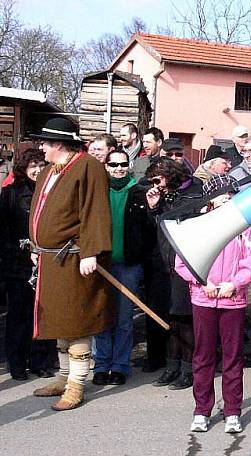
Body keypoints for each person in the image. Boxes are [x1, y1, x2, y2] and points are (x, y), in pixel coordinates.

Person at [27, 117, 114, 410]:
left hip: (74, 257)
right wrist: (36, 246)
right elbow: (40, 212)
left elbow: (96, 210)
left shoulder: (87, 166)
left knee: (76, 321)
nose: (41, 147)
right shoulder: (48, 172)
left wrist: (91, 251)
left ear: (59, 144)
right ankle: (63, 376)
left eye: (45, 142)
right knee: (59, 321)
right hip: (51, 259)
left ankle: (77, 383)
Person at [175, 173, 251, 434]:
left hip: (232, 299)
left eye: (230, 193)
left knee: (233, 358)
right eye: (222, 193)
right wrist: (202, 283)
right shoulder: (197, 224)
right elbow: (183, 261)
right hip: (204, 298)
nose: (226, 197)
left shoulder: (243, 228)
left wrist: (234, 284)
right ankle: (202, 409)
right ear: (210, 197)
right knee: (203, 356)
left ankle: (232, 410)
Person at [92, 148, 153, 386]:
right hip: (102, 263)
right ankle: (101, 364)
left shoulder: (139, 193)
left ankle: (120, 365)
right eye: (113, 164)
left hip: (128, 265)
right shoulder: (98, 192)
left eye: (122, 164)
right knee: (103, 317)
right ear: (106, 166)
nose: (118, 168)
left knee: (125, 319)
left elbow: (149, 229)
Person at [146, 157, 202, 390]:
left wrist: (167, 203)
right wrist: (154, 207)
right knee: (169, 318)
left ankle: (188, 370)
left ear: (169, 175)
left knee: (184, 318)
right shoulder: (163, 195)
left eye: (157, 179)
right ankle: (171, 367)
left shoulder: (193, 192)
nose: (155, 184)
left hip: (185, 264)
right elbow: (157, 227)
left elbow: (189, 226)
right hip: (164, 263)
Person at [0, 148, 56, 380]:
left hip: (46, 261)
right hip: (18, 264)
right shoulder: (11, 194)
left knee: (42, 313)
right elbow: (3, 230)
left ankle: (40, 361)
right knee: (18, 315)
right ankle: (16, 362)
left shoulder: (51, 193)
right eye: (33, 165)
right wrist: (16, 249)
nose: (37, 170)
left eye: (41, 165)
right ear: (24, 168)